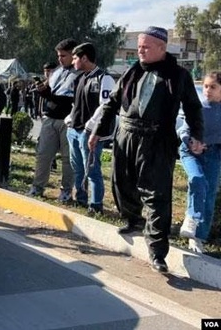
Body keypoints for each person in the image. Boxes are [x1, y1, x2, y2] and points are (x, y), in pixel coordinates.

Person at [89, 26, 203, 274]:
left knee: (156, 194)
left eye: (145, 46)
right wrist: (98, 130)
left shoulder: (178, 75)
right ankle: (133, 220)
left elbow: (194, 109)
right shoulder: (132, 71)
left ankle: (157, 251)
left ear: (162, 48)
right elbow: (112, 103)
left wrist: (196, 135)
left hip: (157, 139)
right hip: (126, 135)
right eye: (139, 46)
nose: (139, 50)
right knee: (122, 183)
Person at [64, 43, 115, 214]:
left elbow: (105, 106)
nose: (73, 61)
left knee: (92, 169)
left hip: (90, 133)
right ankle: (81, 198)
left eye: (76, 57)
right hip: (74, 130)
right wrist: (70, 118)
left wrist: (91, 126)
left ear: (85, 58)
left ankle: (96, 204)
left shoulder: (104, 78)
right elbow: (76, 103)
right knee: (77, 167)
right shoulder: (80, 77)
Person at [28, 39, 78, 199]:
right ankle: (37, 187)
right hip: (50, 118)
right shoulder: (56, 71)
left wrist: (49, 94)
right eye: (58, 56)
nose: (60, 59)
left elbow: (69, 98)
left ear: (73, 54)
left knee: (67, 158)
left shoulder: (80, 74)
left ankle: (66, 191)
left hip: (68, 120)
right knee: (43, 154)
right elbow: (50, 91)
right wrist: (43, 91)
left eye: (63, 55)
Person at [177, 71, 221, 254]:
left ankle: (198, 238)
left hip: (214, 154)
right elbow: (183, 130)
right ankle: (191, 218)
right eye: (206, 86)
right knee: (197, 179)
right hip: (191, 152)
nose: (208, 90)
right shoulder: (199, 107)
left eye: (213, 87)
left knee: (209, 196)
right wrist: (191, 142)